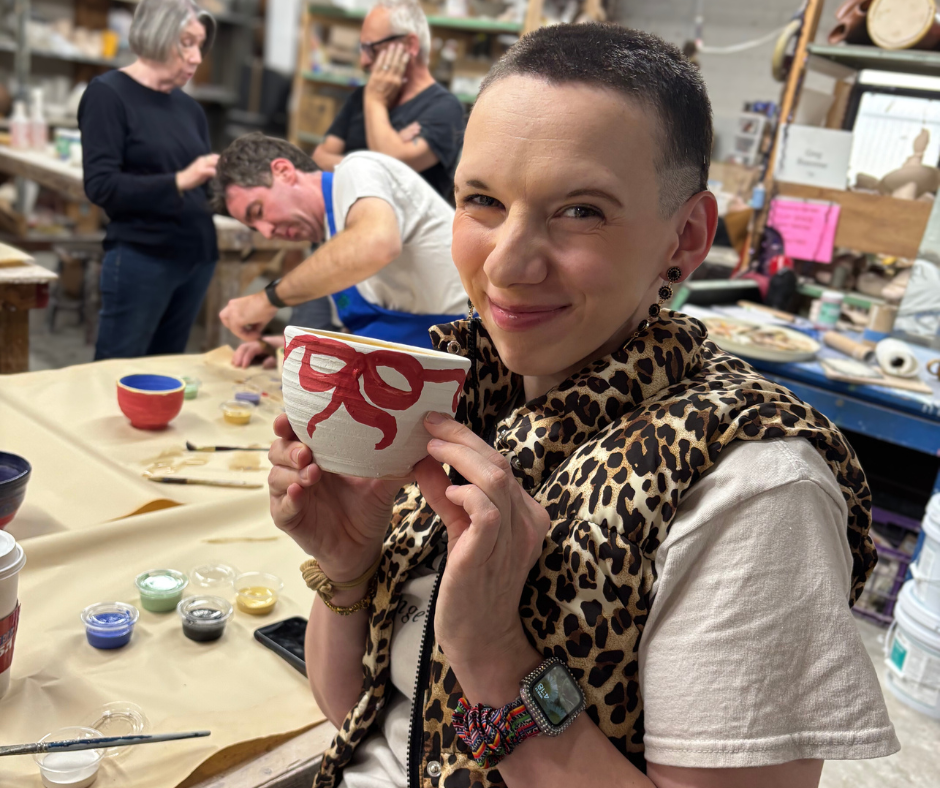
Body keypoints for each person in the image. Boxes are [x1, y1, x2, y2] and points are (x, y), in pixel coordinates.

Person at [267, 23, 899, 788]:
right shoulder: (463, 396)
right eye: (482, 200)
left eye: (581, 211)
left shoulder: (750, 487)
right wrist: (348, 567)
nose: (507, 263)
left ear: (686, 238)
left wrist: (495, 654)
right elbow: (362, 719)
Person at [213, 133, 466, 355]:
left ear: (283, 171)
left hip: (463, 357)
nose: (267, 232)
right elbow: (365, 333)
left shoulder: (358, 168)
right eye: (254, 227)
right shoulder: (333, 243)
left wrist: (268, 299)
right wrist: (290, 348)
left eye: (258, 211)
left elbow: (375, 244)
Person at [79, 0, 219, 360]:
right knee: (115, 372)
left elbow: (205, 189)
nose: (196, 57)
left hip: (197, 257)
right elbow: (102, 186)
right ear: (157, 35)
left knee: (165, 373)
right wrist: (178, 181)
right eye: (186, 43)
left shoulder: (189, 109)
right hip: (143, 257)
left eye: (200, 45)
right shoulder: (108, 94)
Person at [312, 0, 465, 200]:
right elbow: (319, 159)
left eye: (372, 48)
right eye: (361, 48)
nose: (363, 61)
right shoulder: (360, 97)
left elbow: (390, 168)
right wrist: (380, 155)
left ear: (410, 45)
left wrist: (374, 101)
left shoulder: (445, 108)